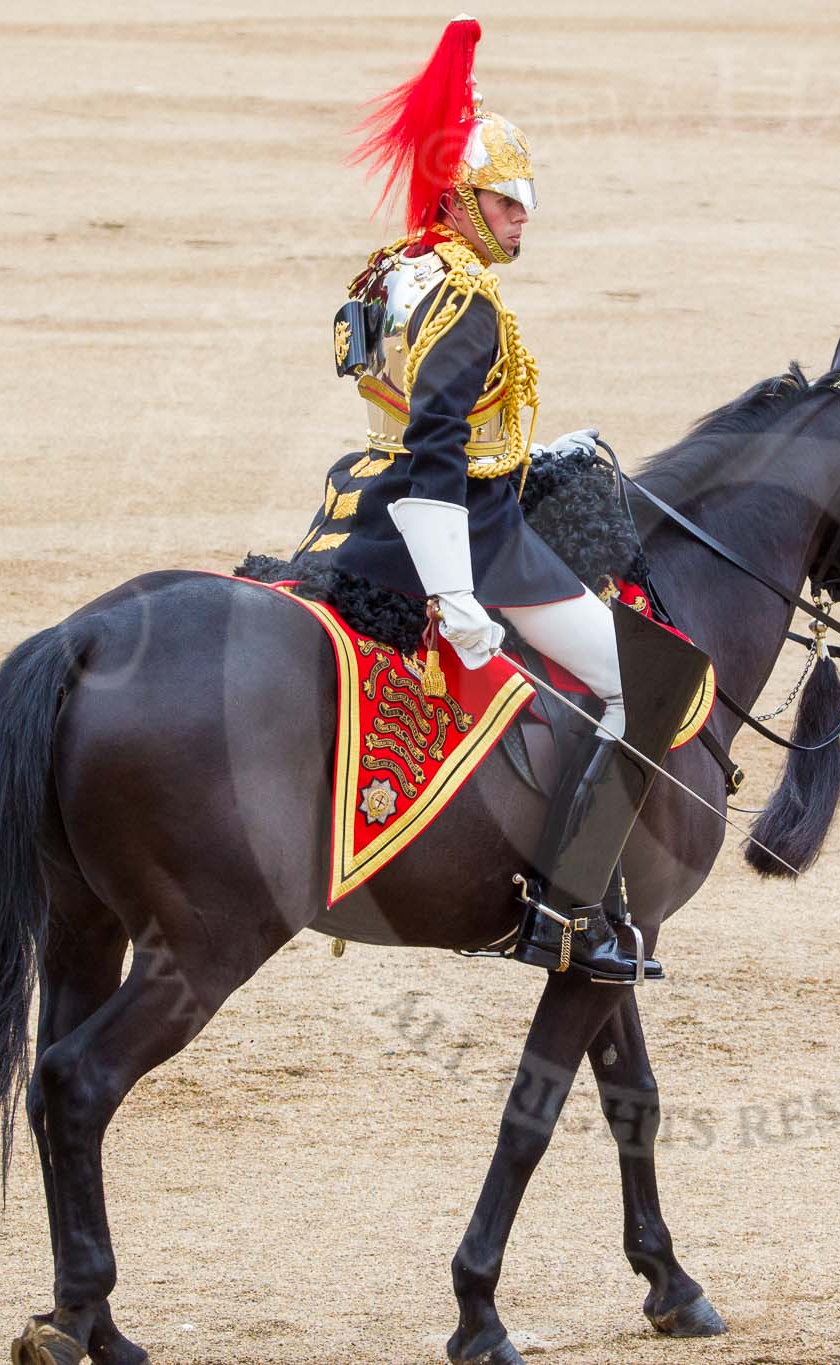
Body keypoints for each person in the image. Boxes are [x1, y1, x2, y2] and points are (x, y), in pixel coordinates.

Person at [294, 14, 673, 983]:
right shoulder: (464, 298)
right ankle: (567, 908)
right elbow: (437, 448)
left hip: (362, 515)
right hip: (475, 536)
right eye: (506, 203)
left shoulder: (395, 269)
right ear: (461, 201)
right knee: (652, 685)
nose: (522, 219)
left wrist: (539, 450)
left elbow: (421, 424)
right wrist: (458, 596)